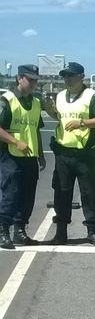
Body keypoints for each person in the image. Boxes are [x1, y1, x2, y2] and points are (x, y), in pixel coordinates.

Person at [47, 62, 95, 246]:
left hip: (85, 155)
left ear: (81, 77)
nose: (67, 79)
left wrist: (82, 123)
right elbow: (60, 118)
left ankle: (92, 232)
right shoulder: (59, 96)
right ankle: (61, 233)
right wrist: (51, 112)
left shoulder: (92, 96)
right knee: (61, 193)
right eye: (65, 76)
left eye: (71, 76)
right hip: (63, 154)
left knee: (89, 193)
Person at [0, 64, 46, 249]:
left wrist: (41, 155)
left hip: (30, 157)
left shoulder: (35, 102)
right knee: (11, 193)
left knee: (28, 195)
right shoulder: (7, 100)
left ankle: (20, 230)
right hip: (11, 156)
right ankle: (3, 230)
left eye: (35, 80)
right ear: (19, 78)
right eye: (30, 79)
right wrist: (15, 141)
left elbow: (35, 130)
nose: (34, 83)